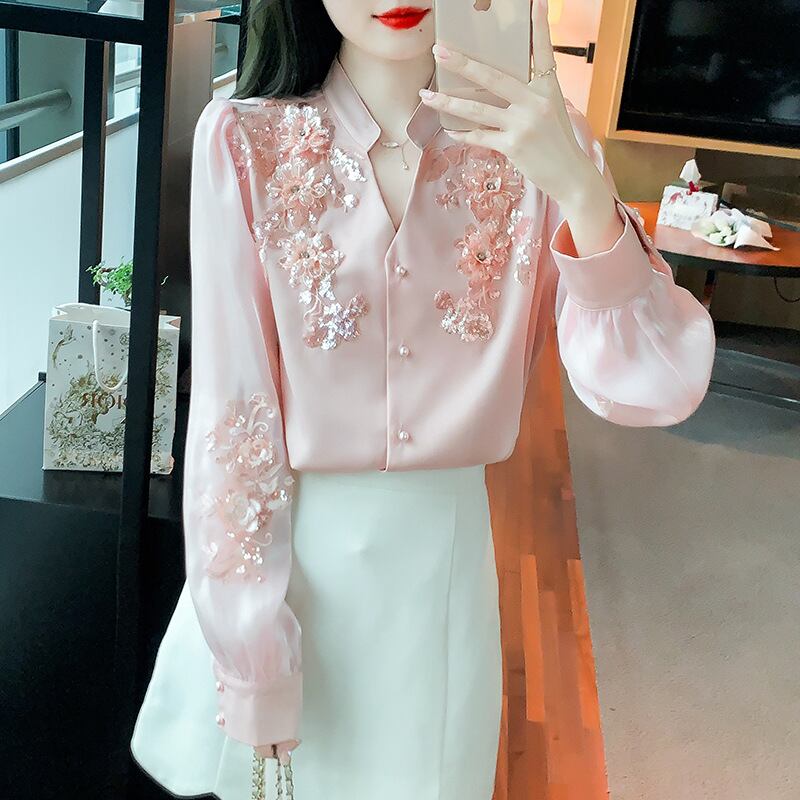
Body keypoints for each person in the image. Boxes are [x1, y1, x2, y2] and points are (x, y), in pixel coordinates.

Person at [130, 0, 716, 797]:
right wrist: (252, 653)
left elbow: (655, 382)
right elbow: (234, 417)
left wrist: (581, 191)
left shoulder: (545, 146)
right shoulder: (242, 141)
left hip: (441, 582)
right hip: (284, 575)